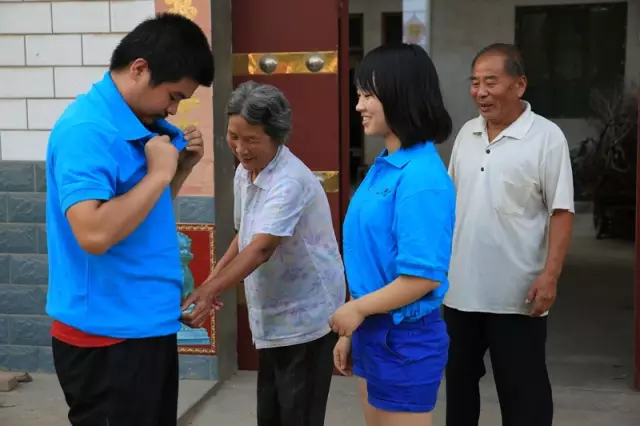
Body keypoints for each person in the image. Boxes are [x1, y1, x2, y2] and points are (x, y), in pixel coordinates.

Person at [45, 13, 214, 426]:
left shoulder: (141, 124)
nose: (173, 108)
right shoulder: (87, 130)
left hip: (145, 326)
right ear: (139, 68)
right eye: (173, 95)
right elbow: (94, 233)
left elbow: (138, 215)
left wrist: (177, 172)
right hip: (106, 338)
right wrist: (158, 174)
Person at [182, 81, 346, 426]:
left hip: (306, 317)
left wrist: (211, 290)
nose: (241, 149)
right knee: (271, 415)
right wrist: (213, 280)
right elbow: (245, 234)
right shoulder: (245, 172)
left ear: (276, 136)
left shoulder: (289, 180)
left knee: (298, 416)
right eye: (233, 136)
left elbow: (261, 247)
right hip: (271, 316)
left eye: (252, 139)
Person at [445, 43, 574, 426]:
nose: (480, 92)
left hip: (517, 296)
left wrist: (550, 276)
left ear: (519, 85)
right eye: (475, 83)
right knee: (459, 391)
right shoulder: (467, 133)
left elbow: (561, 211)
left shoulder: (546, 137)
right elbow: (451, 204)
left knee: (524, 397)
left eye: (491, 82)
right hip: (460, 293)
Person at [329, 43, 456, 426]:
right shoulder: (385, 165)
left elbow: (422, 276)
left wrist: (356, 310)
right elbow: (369, 257)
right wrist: (353, 329)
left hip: (404, 338)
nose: (359, 106)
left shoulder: (421, 178)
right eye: (359, 95)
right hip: (374, 328)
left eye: (368, 95)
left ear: (401, 94)